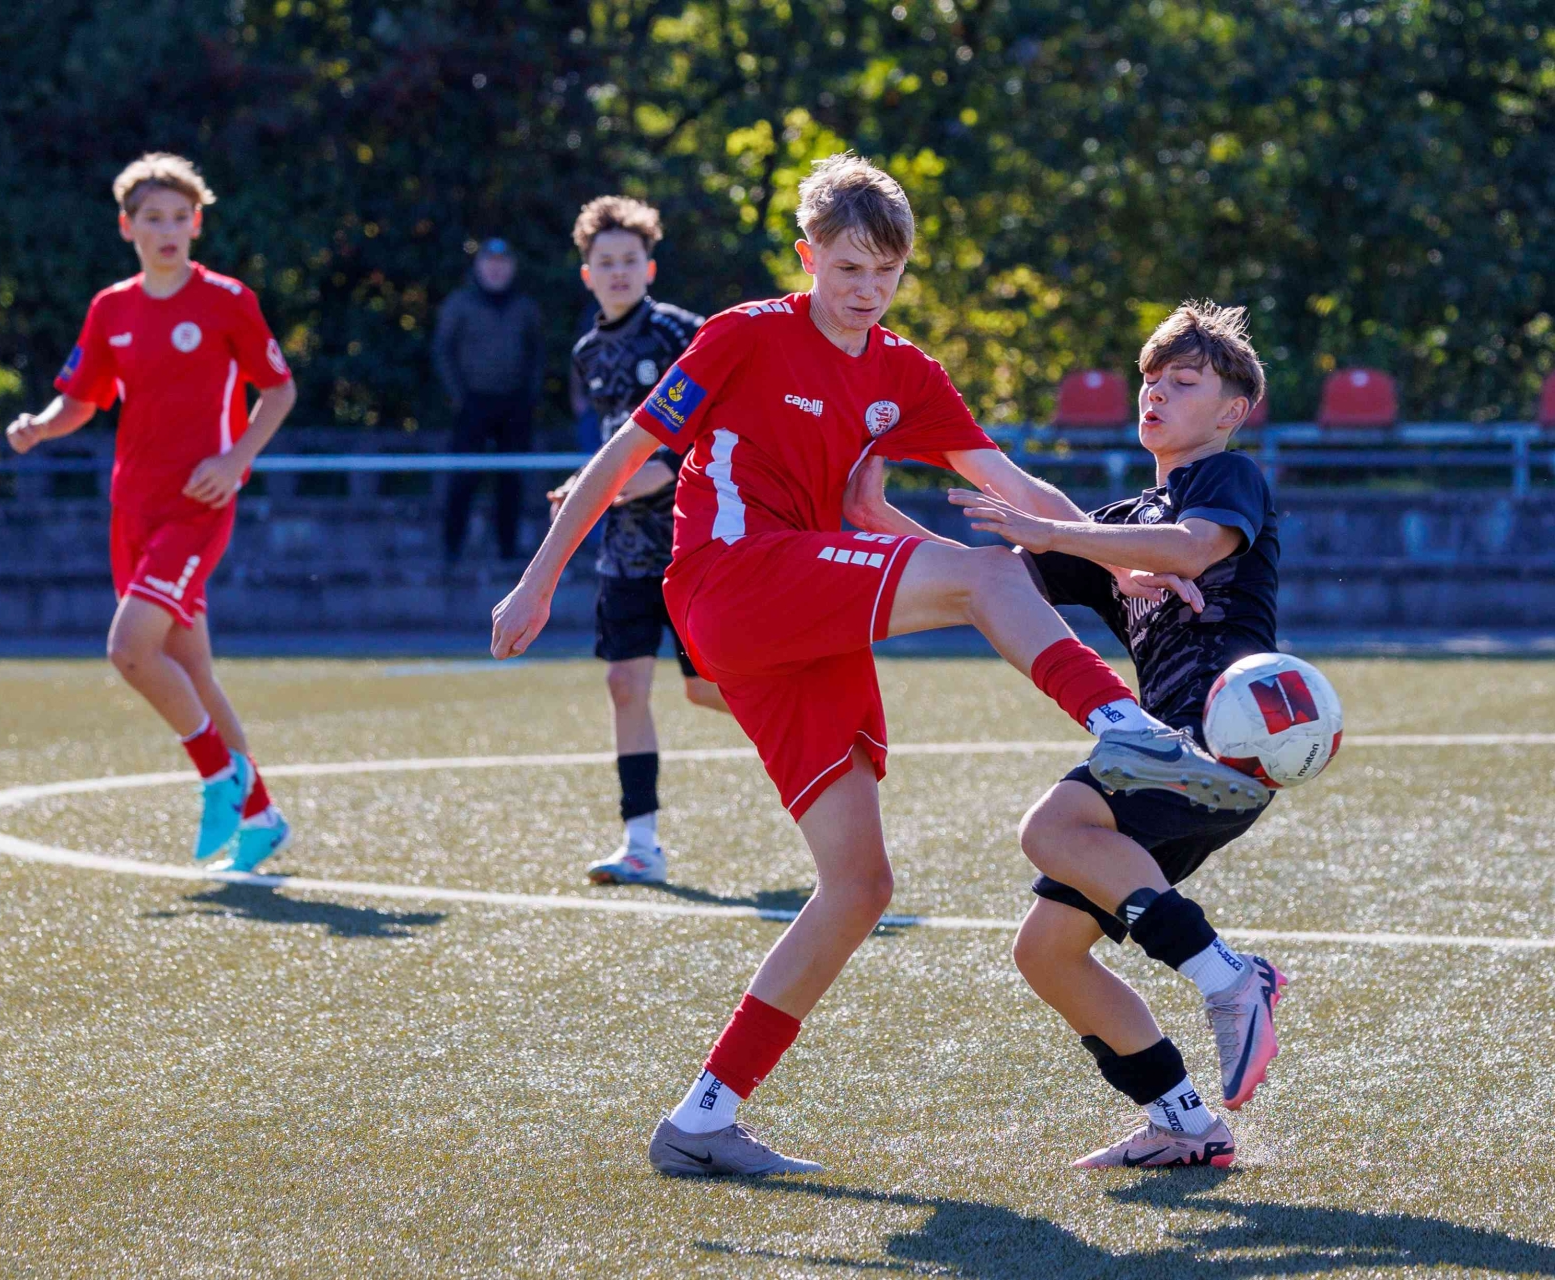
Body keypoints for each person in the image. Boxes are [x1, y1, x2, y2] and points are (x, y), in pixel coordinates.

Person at [490, 154, 1267, 1177]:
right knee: (988, 573)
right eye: (847, 267)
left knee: (858, 885)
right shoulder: (743, 334)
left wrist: (1119, 564)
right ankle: (1129, 728)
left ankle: (703, 1118)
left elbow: (1013, 484)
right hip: (733, 580)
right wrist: (538, 580)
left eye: (885, 272)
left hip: (806, 627)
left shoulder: (904, 372)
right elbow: (623, 454)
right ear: (807, 255)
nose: (865, 289)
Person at [948, 301, 1287, 1168]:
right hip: (1168, 762)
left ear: (1231, 411)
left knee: (1051, 828)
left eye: (1184, 382)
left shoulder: (1227, 477)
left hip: (1212, 740)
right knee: (1047, 953)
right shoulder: (1125, 521)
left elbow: (1193, 546)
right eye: (1150, 379)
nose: (1156, 394)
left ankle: (1229, 977)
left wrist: (1052, 528)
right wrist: (872, 517)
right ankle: (1185, 1123)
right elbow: (986, 580)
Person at [5, 153, 295, 872]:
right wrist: (41, 426)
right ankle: (261, 817)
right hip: (131, 508)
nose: (167, 230)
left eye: (179, 218)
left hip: (198, 507)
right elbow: (81, 399)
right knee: (190, 668)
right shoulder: (111, 308)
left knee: (130, 650)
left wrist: (235, 461)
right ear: (127, 227)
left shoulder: (227, 300)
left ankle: (219, 776)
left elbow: (279, 390)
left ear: (196, 225)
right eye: (153, 218)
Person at [553, 196, 730, 886]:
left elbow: (699, 435)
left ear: (649, 267)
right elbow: (615, 448)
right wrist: (584, 485)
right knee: (624, 683)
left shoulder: (681, 333)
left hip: (694, 544)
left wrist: (627, 482)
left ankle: (816, 734)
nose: (619, 271)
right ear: (587, 275)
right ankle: (641, 843)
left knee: (707, 691)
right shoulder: (588, 352)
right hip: (626, 551)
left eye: (630, 260)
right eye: (606, 262)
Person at [432, 238, 545, 561]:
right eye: (490, 262)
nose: (496, 270)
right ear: (478, 266)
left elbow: (537, 353)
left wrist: (529, 395)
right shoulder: (459, 304)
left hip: (514, 405)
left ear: (512, 268)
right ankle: (452, 549)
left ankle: (508, 549)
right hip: (472, 404)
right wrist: (458, 396)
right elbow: (443, 351)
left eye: (503, 263)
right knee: (463, 476)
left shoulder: (524, 307)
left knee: (512, 478)